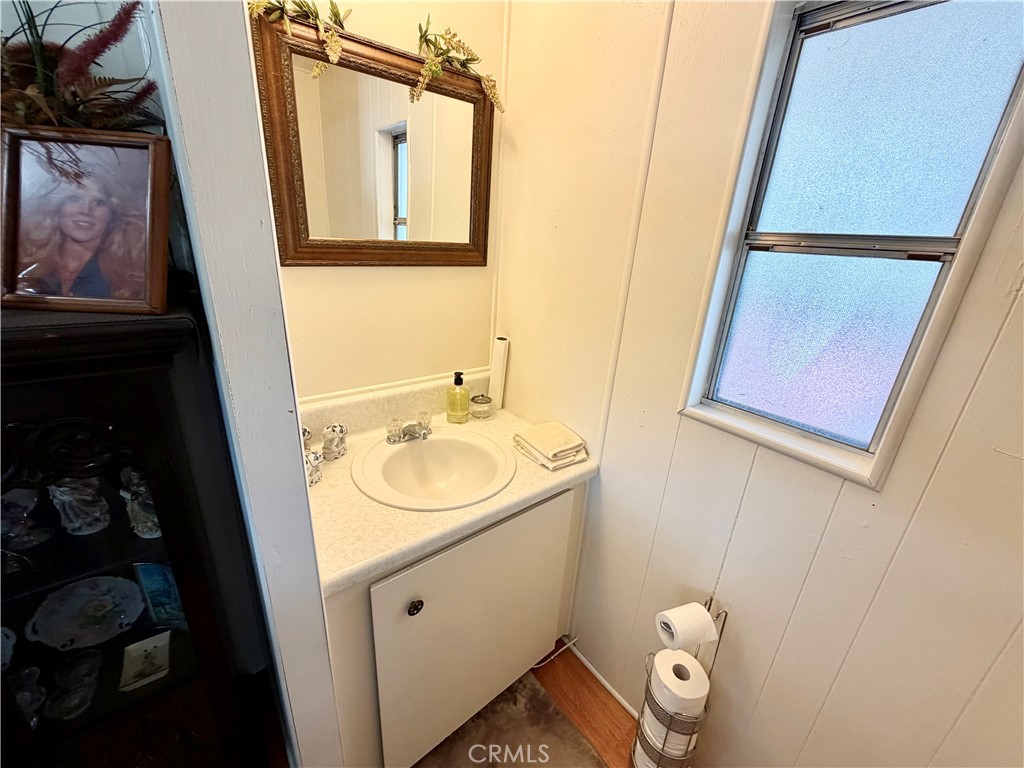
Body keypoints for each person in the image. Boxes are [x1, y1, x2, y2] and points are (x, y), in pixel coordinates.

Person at [16, 168, 147, 300]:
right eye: (75, 198)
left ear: (113, 214)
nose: (85, 210)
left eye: (99, 202)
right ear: (58, 207)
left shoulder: (130, 280)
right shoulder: (28, 274)